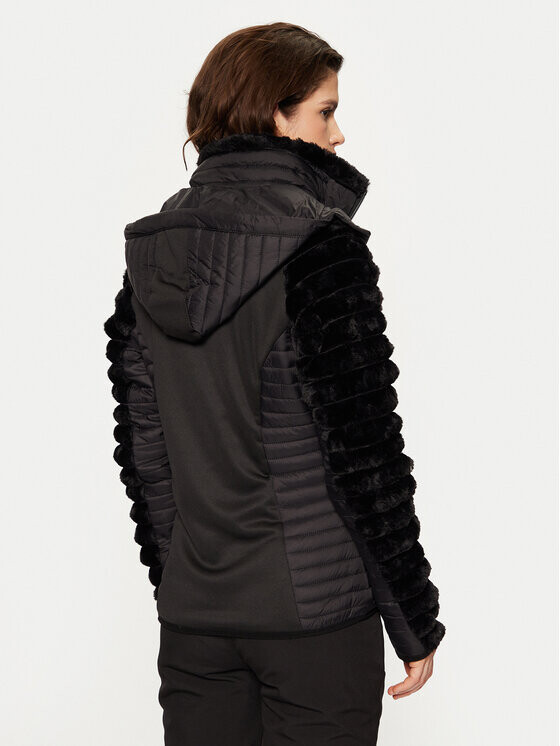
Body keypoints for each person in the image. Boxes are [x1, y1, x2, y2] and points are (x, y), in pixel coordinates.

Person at [104, 21, 446, 746]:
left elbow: (146, 454)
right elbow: (365, 453)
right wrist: (412, 616)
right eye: (326, 111)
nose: (339, 134)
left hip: (196, 625)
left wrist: (189, 583)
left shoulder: (153, 256)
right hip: (315, 626)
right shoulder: (323, 249)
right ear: (274, 116)